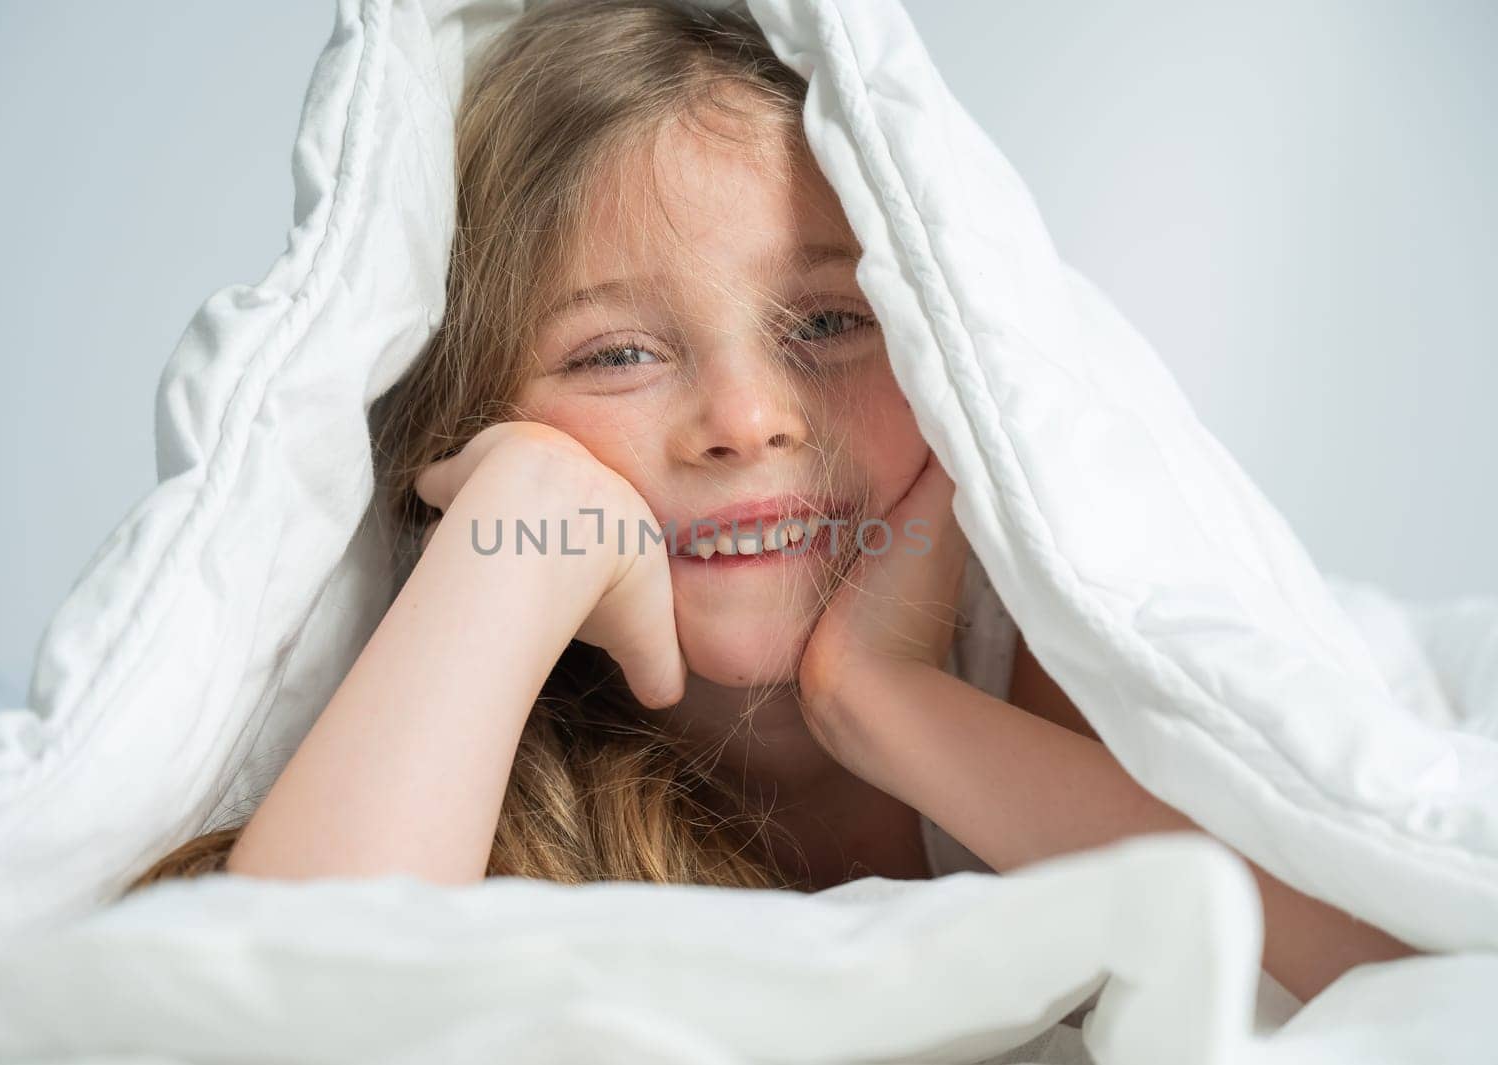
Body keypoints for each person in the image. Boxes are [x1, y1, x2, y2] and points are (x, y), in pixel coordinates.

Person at [126, 0, 1417, 1008]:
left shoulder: (1057, 663)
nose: (747, 419)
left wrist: (892, 700)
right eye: (615, 354)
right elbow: (283, 997)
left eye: (832, 321)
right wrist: (514, 537)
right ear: (465, 422)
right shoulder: (455, 731)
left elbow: (1392, 972)